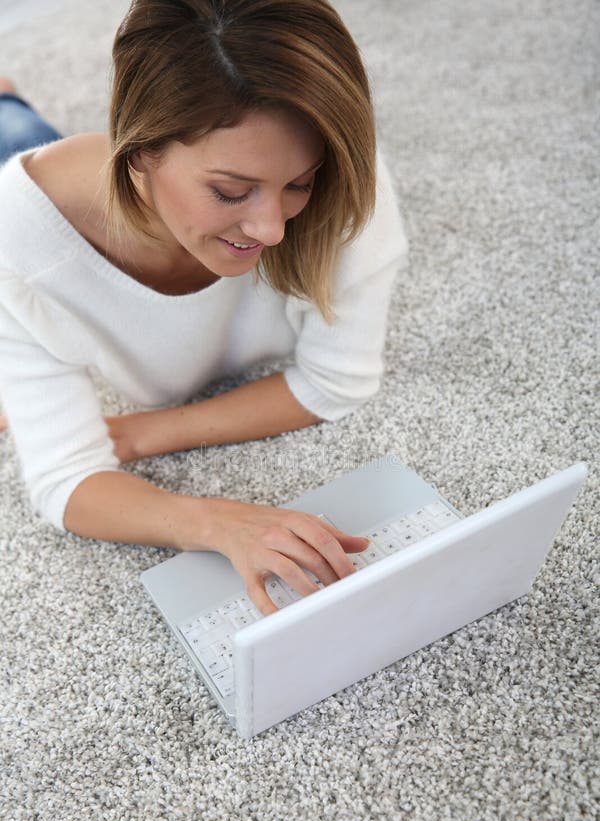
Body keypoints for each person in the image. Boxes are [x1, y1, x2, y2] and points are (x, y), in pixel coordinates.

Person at [0, 0, 406, 616]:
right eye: (231, 191)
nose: (272, 228)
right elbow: (64, 481)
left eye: (299, 183)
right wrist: (217, 524)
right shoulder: (18, 248)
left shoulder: (343, 178)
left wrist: (135, 434)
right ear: (138, 151)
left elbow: (338, 382)